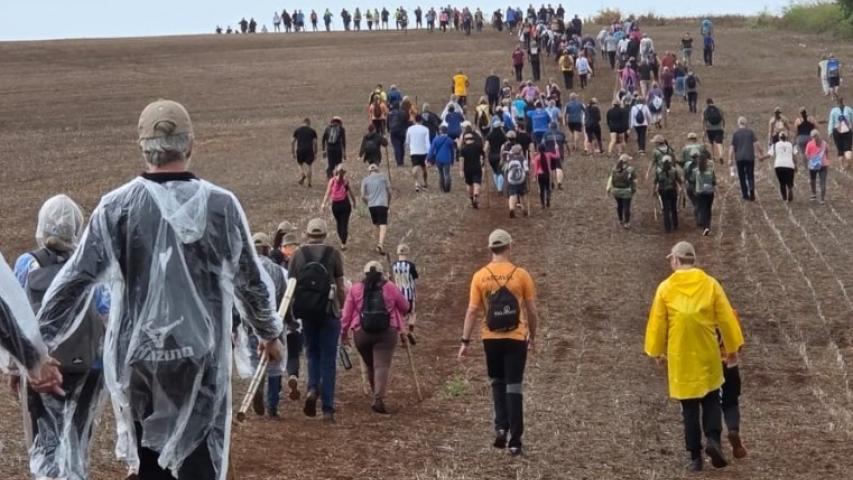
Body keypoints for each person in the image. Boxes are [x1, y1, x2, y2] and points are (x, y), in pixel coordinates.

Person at [35, 100, 284, 478]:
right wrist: (269, 334)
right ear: (191, 145)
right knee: (199, 460)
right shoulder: (222, 207)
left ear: (142, 146)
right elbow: (251, 282)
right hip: (200, 362)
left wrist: (35, 349)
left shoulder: (115, 209)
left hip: (139, 364)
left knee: (149, 462)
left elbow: (72, 282)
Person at [13, 194, 107, 480]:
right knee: (77, 438)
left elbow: (15, 317)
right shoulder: (93, 264)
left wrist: (14, 368)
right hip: (89, 367)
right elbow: (107, 313)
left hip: (40, 365)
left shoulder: (28, 264)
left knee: (46, 441)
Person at [645, 241, 744, 471]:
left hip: (681, 356)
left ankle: (695, 457)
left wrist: (656, 351)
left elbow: (657, 323)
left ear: (677, 261)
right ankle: (713, 440)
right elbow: (727, 319)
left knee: (688, 407)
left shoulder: (666, 288)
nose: (671, 262)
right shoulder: (710, 284)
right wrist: (731, 348)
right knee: (711, 400)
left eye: (672, 259)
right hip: (708, 353)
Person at [458, 229, 539, 457]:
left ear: (490, 248)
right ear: (509, 246)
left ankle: (501, 427)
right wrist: (532, 335)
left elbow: (473, 310)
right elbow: (531, 310)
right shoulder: (521, 275)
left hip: (490, 339)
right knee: (514, 386)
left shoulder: (479, 276)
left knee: (497, 383)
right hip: (515, 338)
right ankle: (515, 441)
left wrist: (465, 341)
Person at [288, 219, 346, 423]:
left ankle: (312, 388)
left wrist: (291, 314)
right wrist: (342, 307)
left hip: (306, 313)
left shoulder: (298, 255)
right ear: (325, 234)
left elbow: (290, 288)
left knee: (312, 353)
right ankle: (328, 409)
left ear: (307, 234)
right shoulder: (333, 254)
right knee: (329, 360)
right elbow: (340, 286)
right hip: (329, 311)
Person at [340, 261, 409, 414]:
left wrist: (343, 334)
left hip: (361, 332)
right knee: (381, 366)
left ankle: (374, 392)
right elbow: (405, 306)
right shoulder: (390, 287)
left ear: (364, 274)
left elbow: (346, 315)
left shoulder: (356, 289)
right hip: (387, 331)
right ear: (382, 273)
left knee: (371, 364)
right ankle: (378, 398)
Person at [320, 164, 357, 250]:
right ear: (343, 173)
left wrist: (323, 204)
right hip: (345, 204)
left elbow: (327, 193)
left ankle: (342, 239)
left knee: (339, 223)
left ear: (335, 172)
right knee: (344, 223)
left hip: (335, 205)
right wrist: (354, 202)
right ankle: (343, 243)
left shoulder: (332, 181)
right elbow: (351, 193)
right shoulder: (345, 181)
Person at [728, 117, 765, 201]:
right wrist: (761, 154)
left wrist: (730, 159)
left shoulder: (736, 134)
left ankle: (745, 194)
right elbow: (757, 144)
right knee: (750, 175)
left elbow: (732, 148)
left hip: (739, 158)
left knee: (741, 176)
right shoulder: (750, 132)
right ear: (746, 123)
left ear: (738, 123)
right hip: (750, 157)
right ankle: (751, 189)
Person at [361, 164, 392, 253]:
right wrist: (388, 203)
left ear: (369, 171)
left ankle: (377, 243)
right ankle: (380, 244)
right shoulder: (383, 177)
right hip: (382, 204)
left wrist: (368, 203)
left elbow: (362, 196)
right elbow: (390, 192)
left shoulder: (365, 180)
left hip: (371, 205)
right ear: (377, 170)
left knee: (376, 224)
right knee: (383, 225)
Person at [392, 244, 419, 331]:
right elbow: (415, 278)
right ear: (407, 252)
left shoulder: (393, 265)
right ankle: (411, 330)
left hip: (398, 294)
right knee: (412, 313)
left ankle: (401, 332)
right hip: (409, 294)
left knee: (400, 315)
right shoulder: (411, 265)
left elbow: (391, 278)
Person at [654, 156, 683, 232]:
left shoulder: (658, 171)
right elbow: (679, 180)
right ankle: (675, 224)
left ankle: (667, 227)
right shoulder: (674, 170)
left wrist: (654, 191)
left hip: (663, 191)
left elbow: (655, 181)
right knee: (673, 208)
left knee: (665, 209)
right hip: (672, 190)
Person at [606, 154, 636, 228]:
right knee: (626, 206)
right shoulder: (631, 169)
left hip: (616, 191)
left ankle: (620, 220)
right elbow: (634, 181)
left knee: (619, 205)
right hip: (626, 191)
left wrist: (608, 189)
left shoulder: (614, 168)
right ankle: (627, 222)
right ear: (627, 161)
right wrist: (633, 190)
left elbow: (610, 179)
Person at [459, 130, 485, 208]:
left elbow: (461, 160)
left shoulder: (463, 149)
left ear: (465, 140)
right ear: (473, 139)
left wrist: (461, 170)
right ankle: (475, 196)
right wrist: (482, 163)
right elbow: (483, 155)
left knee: (469, 184)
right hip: (477, 167)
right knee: (477, 183)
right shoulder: (477, 146)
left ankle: (471, 199)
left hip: (467, 169)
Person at [428, 125, 458, 193]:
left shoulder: (436, 139)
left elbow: (431, 150)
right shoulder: (450, 140)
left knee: (440, 173)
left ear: (440, 131)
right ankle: (447, 188)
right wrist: (452, 160)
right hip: (447, 159)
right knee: (447, 173)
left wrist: (428, 158)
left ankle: (441, 188)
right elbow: (452, 151)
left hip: (438, 159)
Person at [406, 115, 431, 191]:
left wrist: (409, 148)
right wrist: (429, 151)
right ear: (421, 121)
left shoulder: (410, 129)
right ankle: (425, 182)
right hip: (423, 151)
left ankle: (416, 182)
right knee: (424, 168)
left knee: (415, 167)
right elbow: (427, 142)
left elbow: (407, 141)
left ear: (414, 120)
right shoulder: (425, 129)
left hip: (414, 151)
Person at [693, 152, 717, 235]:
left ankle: (705, 227)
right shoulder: (711, 170)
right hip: (710, 192)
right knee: (708, 209)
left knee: (702, 209)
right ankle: (708, 226)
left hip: (700, 192)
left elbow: (692, 180)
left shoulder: (696, 171)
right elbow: (714, 181)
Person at [503, 144, 529, 218]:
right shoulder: (523, 159)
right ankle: (524, 209)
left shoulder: (509, 159)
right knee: (522, 194)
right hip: (521, 180)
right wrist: (528, 174)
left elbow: (506, 169)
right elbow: (526, 170)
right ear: (520, 151)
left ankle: (511, 208)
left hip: (511, 180)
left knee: (512, 195)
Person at [805, 129, 830, 203]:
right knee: (822, 181)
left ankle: (814, 194)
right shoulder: (824, 143)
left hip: (813, 165)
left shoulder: (809, 144)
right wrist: (827, 161)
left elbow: (807, 154)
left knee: (812, 180)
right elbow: (827, 153)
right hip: (823, 164)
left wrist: (811, 160)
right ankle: (822, 199)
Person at [828, 96, 853, 171]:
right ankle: (849, 162)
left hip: (837, 131)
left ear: (836, 102)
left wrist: (830, 132)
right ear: (843, 101)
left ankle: (842, 166)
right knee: (848, 148)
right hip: (848, 131)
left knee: (840, 149)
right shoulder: (849, 109)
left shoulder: (833, 111)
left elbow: (831, 122)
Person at [292, 118, 318, 187]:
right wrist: (315, 152)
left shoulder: (297, 130)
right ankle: (309, 183)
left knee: (300, 164)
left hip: (300, 149)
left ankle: (302, 174)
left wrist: (293, 152)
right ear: (309, 123)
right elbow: (315, 143)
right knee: (309, 165)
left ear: (303, 122)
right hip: (309, 150)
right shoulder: (312, 131)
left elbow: (293, 142)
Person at [771, 132, 796, 202]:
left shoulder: (775, 145)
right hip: (789, 165)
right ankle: (790, 188)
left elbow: (770, 154)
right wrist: (796, 165)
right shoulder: (791, 145)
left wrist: (762, 158)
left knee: (782, 183)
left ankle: (784, 197)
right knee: (789, 181)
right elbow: (794, 156)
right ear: (787, 138)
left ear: (779, 138)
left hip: (779, 165)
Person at [531, 143, 553, 208]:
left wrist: (534, 177)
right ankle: (548, 199)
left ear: (538, 150)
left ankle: (542, 204)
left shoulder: (537, 158)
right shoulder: (548, 155)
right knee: (547, 188)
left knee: (541, 189)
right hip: (547, 174)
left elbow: (535, 168)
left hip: (540, 175)